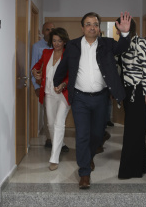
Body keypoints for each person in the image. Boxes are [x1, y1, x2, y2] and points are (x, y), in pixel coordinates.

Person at [53, 11, 131, 189]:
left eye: (95, 24)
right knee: (82, 135)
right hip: (79, 98)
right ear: (82, 28)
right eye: (88, 24)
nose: (92, 27)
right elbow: (64, 65)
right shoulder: (72, 45)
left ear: (99, 28)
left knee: (96, 135)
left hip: (101, 98)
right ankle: (84, 173)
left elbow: (122, 49)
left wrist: (125, 34)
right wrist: (56, 82)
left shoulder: (107, 44)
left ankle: (88, 158)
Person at [115, 17, 146, 179]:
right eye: (117, 27)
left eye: (120, 27)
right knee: (136, 131)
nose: (118, 30)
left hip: (138, 92)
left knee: (133, 132)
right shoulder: (122, 44)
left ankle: (130, 170)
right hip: (127, 92)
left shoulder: (141, 43)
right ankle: (141, 167)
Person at [32, 28, 70, 171]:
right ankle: (59, 147)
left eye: (59, 41)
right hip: (49, 93)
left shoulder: (68, 54)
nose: (56, 43)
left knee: (59, 123)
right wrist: (35, 73)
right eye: (54, 40)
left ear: (64, 41)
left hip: (63, 94)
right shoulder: (46, 53)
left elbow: (72, 73)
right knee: (50, 124)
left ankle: (54, 158)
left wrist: (64, 84)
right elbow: (36, 67)